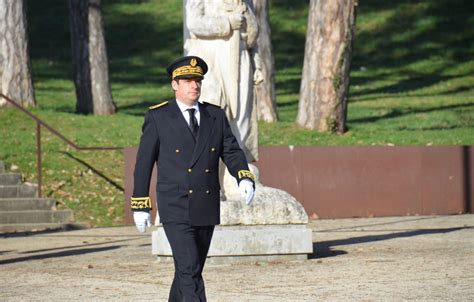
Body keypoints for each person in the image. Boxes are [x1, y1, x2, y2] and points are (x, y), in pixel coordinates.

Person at [131, 55, 256, 302]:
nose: (194, 85)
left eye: (197, 80)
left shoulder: (215, 116)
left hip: (205, 204)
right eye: (187, 80)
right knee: (189, 270)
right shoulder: (159, 117)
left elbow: (230, 150)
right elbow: (143, 163)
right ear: (174, 84)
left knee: (190, 270)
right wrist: (140, 204)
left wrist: (244, 177)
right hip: (175, 204)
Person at [183, 0, 262, 163]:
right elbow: (194, 22)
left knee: (242, 118)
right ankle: (209, 171)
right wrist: (227, 22)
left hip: (241, 58)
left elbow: (252, 34)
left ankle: (236, 171)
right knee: (214, 112)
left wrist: (257, 63)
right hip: (213, 55)